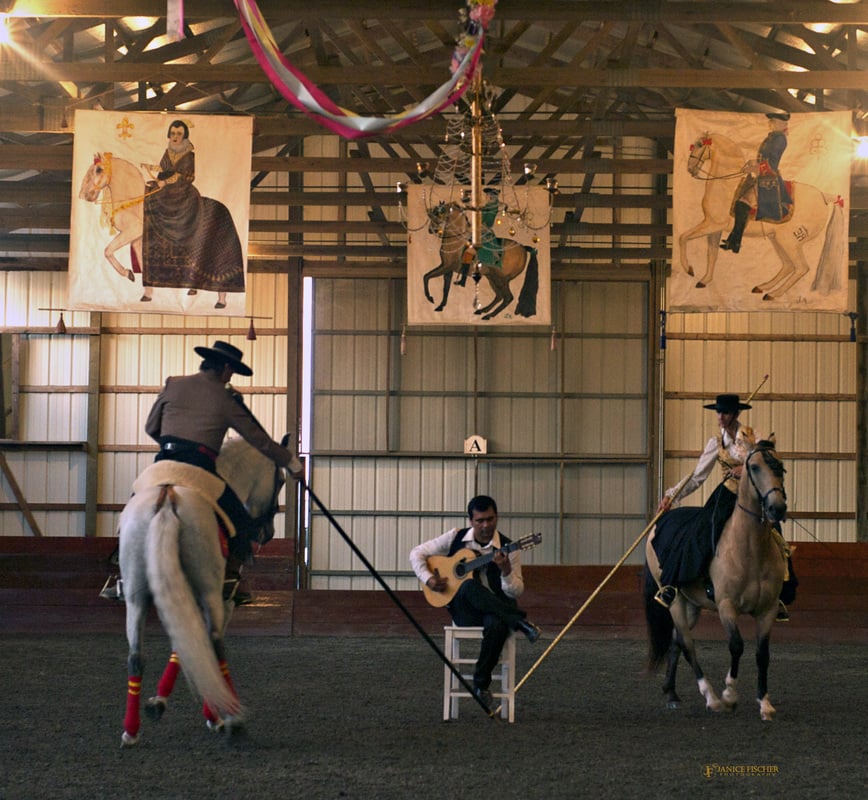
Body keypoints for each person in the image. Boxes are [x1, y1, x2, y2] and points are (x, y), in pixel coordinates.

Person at [101, 340, 302, 605]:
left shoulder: (173, 384)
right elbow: (259, 441)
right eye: (232, 372)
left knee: (134, 505)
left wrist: (174, 443)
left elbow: (151, 427)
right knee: (241, 522)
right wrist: (293, 464)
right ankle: (231, 579)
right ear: (226, 369)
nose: (231, 377)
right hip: (200, 467)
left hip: (164, 461)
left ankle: (122, 573)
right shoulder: (225, 398)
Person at [653, 394, 795, 621]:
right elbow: (697, 476)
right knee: (701, 532)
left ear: (736, 414)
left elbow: (764, 461)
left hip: (753, 497)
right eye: (719, 412)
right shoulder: (715, 443)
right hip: (728, 495)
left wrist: (745, 468)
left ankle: (777, 594)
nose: (721, 417)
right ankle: (677, 585)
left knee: (776, 534)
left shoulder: (753, 436)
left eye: (725, 412)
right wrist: (671, 495)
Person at [409, 495, 541, 709]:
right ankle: (519, 622)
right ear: (471, 521)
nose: (486, 525)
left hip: (495, 610)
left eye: (490, 519)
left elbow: (516, 590)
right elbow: (416, 553)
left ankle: (481, 685)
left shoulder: (509, 548)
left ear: (497, 518)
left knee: (497, 624)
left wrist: (506, 570)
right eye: (480, 520)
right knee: (468, 586)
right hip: (464, 611)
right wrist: (429, 579)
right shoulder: (454, 537)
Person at [140, 119, 245, 308]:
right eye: (172, 133)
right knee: (148, 199)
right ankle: (149, 284)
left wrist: (167, 180)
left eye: (179, 134)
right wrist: (156, 173)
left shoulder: (189, 155)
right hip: (166, 192)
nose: (175, 137)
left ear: (184, 136)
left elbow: (186, 176)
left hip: (183, 193)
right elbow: (164, 170)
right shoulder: (167, 152)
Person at [720, 112, 793, 255]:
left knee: (742, 204)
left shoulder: (779, 139)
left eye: (773, 121)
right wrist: (752, 164)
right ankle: (734, 241)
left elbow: (772, 162)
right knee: (739, 203)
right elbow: (762, 157)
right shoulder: (772, 136)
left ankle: (735, 242)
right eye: (771, 121)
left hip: (768, 180)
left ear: (781, 123)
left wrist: (756, 165)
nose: (770, 123)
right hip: (762, 175)